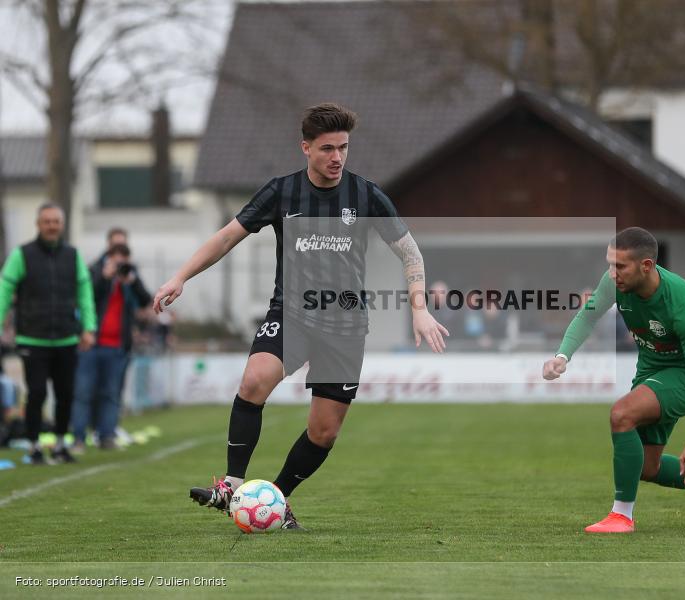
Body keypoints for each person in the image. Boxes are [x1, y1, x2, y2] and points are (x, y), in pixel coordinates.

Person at [153, 103, 448, 529]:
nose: (337, 158)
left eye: (343, 148)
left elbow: (409, 251)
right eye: (327, 148)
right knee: (254, 380)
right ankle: (231, 484)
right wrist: (181, 277)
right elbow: (225, 238)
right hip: (292, 314)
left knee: (324, 432)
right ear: (305, 147)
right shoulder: (281, 192)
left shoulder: (365, 195)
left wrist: (419, 310)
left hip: (345, 326)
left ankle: (276, 499)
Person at [542, 227, 685, 534]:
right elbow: (588, 316)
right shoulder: (614, 283)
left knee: (622, 414)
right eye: (609, 264)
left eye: (620, 266)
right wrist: (562, 356)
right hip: (650, 370)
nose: (611, 273)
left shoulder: (682, 303)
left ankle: (621, 516)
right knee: (646, 467)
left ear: (646, 266)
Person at [0, 204, 96, 465]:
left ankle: (61, 444)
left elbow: (84, 293)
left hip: (66, 338)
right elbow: (4, 291)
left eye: (56, 221)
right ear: (38, 224)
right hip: (32, 338)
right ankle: (34, 446)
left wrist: (88, 328)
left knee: (65, 393)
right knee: (37, 393)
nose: (52, 225)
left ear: (61, 225)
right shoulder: (22, 255)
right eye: (47, 221)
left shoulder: (73, 256)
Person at [71, 243, 152, 452]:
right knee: (83, 393)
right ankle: (78, 438)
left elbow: (146, 301)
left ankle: (107, 436)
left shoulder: (129, 277)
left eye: (123, 261)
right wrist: (105, 277)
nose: (119, 266)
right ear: (108, 258)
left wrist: (131, 281)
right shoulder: (94, 272)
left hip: (117, 346)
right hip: (91, 344)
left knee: (111, 394)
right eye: (116, 261)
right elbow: (85, 298)